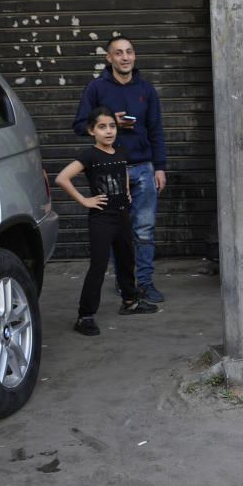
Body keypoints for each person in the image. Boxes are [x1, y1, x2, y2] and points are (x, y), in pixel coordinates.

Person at [73, 35, 167, 304]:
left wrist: (159, 168)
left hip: (144, 167)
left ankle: (145, 284)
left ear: (134, 56)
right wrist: (108, 120)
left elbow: (156, 131)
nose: (125, 57)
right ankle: (125, 283)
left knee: (145, 229)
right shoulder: (96, 88)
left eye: (129, 52)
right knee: (118, 230)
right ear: (109, 58)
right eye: (118, 53)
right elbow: (80, 125)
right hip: (110, 171)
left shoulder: (146, 90)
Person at [56, 106, 158, 336]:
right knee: (99, 266)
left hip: (122, 215)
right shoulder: (89, 155)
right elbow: (62, 178)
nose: (108, 131)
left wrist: (127, 191)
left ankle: (130, 301)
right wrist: (84, 200)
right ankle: (85, 316)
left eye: (112, 126)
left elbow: (122, 173)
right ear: (92, 131)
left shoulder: (120, 151)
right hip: (101, 218)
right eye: (102, 127)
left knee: (126, 259)